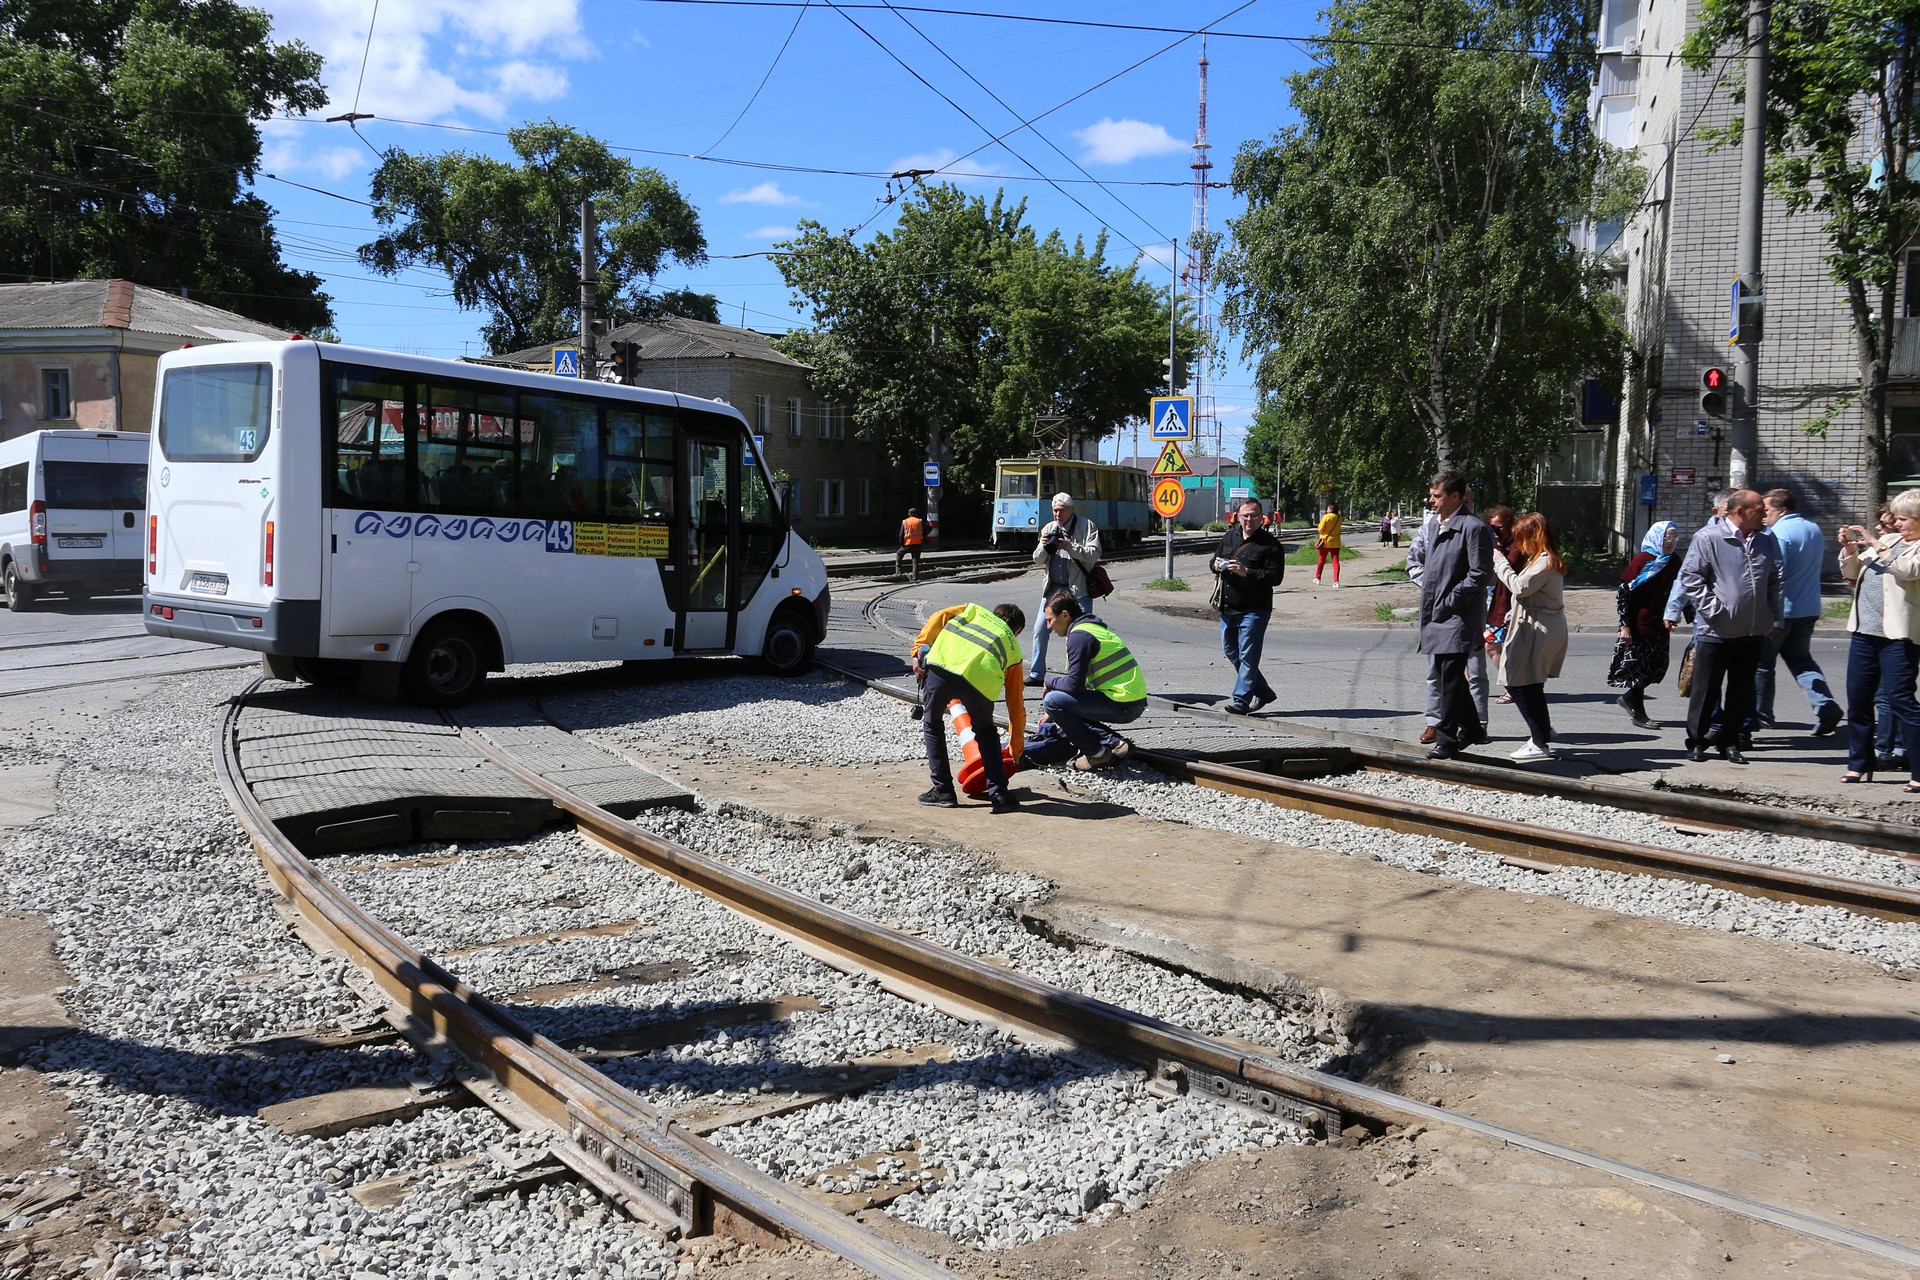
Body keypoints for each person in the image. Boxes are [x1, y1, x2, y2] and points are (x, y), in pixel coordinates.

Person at [1678, 489, 1783, 764]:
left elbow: (1774, 579)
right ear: (1740, 512)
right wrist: (1714, 611)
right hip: (1716, 630)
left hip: (1752, 631)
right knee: (1706, 689)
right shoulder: (1708, 538)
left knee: (1741, 689)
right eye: (1759, 509)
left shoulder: (1764, 541)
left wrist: (1773, 615)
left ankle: (1730, 742)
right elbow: (1691, 578)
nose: (1764, 514)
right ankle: (1698, 741)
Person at [1837, 493, 1920, 786]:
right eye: (1895, 518)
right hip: (1864, 631)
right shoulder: (1892, 542)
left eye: (1902, 519)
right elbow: (1852, 571)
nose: (1895, 524)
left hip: (1897, 636)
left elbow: (1908, 571)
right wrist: (1849, 550)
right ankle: (1859, 763)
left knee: (1901, 699)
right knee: (1858, 699)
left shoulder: (1908, 547)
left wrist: (1877, 543)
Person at [916, 601, 1028, 812]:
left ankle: (943, 791)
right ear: (1018, 630)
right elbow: (1016, 704)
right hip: (980, 684)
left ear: (994, 614)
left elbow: (939, 616)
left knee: (932, 724)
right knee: (986, 732)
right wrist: (1015, 748)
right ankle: (999, 794)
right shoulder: (1013, 647)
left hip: (942, 667)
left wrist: (917, 650)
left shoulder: (973, 610)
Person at [1417, 469, 1494, 759]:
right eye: (1432, 495)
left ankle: (1447, 739)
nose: (1431, 500)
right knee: (1448, 674)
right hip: (1438, 612)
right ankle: (1473, 728)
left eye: (1437, 496)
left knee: (1450, 674)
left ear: (1456, 496)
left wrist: (1450, 600)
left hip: (1458, 615)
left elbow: (1480, 574)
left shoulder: (1473, 528)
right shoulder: (1436, 525)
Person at [1754, 489, 1843, 736]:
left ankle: (1761, 715)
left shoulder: (1778, 533)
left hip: (1783, 611)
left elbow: (1774, 574)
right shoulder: (1812, 528)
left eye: (1767, 511)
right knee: (1801, 660)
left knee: (1762, 665)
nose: (1764, 516)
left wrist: (1771, 612)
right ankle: (1825, 706)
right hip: (1809, 607)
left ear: (1781, 510)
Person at [1038, 593, 1147, 769]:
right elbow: (1077, 689)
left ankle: (1097, 753)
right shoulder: (1090, 629)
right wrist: (1054, 712)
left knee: (1052, 700)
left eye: (1050, 620)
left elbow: (1074, 685)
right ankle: (1115, 742)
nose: (1049, 626)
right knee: (1059, 705)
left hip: (1123, 705)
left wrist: (1050, 682)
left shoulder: (1079, 637)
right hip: (1131, 701)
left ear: (1065, 615)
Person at [1493, 513, 1568, 761]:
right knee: (1530, 683)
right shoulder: (1542, 559)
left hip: (1539, 629)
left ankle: (1539, 740)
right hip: (1536, 625)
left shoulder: (1545, 561)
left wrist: (1499, 561)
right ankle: (1542, 731)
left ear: (1533, 537)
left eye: (1521, 538)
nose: (1519, 544)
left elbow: (1520, 587)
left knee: (1519, 682)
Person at [1210, 497, 1285, 714]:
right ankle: (1263, 691)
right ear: (1238, 517)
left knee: (1248, 656)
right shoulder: (1230, 537)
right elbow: (1214, 560)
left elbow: (1275, 577)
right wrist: (1216, 565)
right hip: (1228, 606)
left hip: (1255, 609)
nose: (1249, 519)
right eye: (1245, 515)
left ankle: (1241, 701)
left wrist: (1247, 572)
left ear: (1262, 518)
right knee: (1231, 651)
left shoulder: (1271, 545)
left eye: (1253, 515)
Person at [1608, 521, 1682, 728]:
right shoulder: (1644, 560)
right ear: (1658, 536)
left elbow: (1680, 590)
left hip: (1660, 623)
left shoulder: (1674, 560)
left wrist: (1683, 613)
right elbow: (1623, 595)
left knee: (1657, 669)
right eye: (1668, 537)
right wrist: (1624, 626)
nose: (1671, 542)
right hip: (1639, 624)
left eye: (1675, 537)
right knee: (1639, 671)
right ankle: (1639, 713)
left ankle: (1629, 698)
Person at [1027, 492, 1101, 684]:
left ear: (1072, 510)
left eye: (1061, 511)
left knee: (1081, 635)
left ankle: (1077, 677)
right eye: (1055, 510)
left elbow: (1094, 554)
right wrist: (1044, 546)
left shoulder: (1086, 526)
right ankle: (1036, 674)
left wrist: (1069, 546)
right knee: (1039, 630)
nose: (1057, 515)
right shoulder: (1049, 528)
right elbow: (1036, 559)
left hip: (1078, 590)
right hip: (1053, 590)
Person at [1482, 506, 1519, 703]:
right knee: (1478, 647)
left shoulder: (1516, 546)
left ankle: (1512, 688)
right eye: (1491, 528)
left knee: (1492, 647)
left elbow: (1509, 569)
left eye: (1500, 528)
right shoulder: (1490, 544)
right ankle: (1470, 687)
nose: (1496, 532)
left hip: (1504, 605)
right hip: (1487, 602)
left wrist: (1496, 549)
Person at [1313, 501, 1343, 587]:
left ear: (1331, 509)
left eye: (1328, 508)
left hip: (1325, 542)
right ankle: (1336, 581)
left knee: (1321, 560)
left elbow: (1320, 529)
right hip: (1336, 542)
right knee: (1335, 561)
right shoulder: (1339, 518)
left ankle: (1317, 578)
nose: (1327, 509)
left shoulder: (1326, 517)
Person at [895, 507, 927, 581]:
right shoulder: (920, 521)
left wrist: (902, 544)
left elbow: (901, 534)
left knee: (899, 554)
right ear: (916, 514)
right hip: (917, 544)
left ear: (909, 514)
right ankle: (915, 578)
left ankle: (898, 572)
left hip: (907, 544)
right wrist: (923, 536)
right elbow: (929, 528)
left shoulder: (905, 522)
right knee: (915, 561)